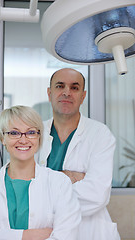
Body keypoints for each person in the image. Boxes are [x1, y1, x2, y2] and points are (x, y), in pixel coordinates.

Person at [35, 68, 121, 240]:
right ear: (49, 93)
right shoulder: (34, 133)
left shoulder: (100, 134)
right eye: (60, 86)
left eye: (74, 88)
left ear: (83, 96)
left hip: (89, 232)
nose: (67, 92)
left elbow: (96, 195)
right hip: (44, 231)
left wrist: (43, 187)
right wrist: (72, 177)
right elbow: (20, 183)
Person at [0, 105, 81, 240]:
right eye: (14, 133)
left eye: (31, 132)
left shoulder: (59, 183)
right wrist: (31, 235)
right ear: (3, 139)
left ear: (38, 138)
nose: (23, 139)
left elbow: (67, 236)